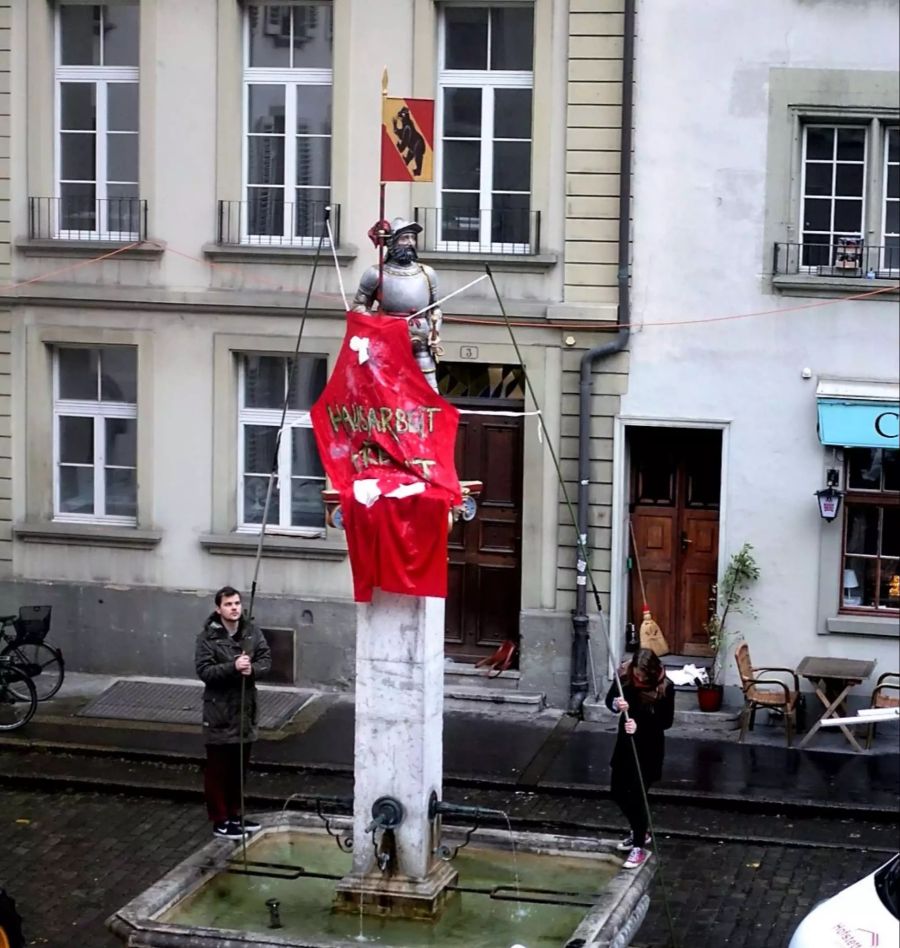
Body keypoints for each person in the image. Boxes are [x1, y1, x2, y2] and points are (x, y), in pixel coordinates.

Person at [195, 585, 271, 838]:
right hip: (219, 712)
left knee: (239, 766)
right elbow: (205, 671)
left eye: (237, 603)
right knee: (219, 768)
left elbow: (265, 659)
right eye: (228, 604)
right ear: (219, 609)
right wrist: (233, 666)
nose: (234, 608)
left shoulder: (251, 632)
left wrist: (254, 670)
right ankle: (220, 819)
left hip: (245, 710)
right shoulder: (208, 638)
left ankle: (236, 814)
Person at [351, 217, 442, 391]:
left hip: (421, 342)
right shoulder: (376, 273)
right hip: (388, 341)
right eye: (404, 238)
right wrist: (379, 325)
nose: (410, 243)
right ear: (392, 242)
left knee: (430, 392)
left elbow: (435, 307)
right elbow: (359, 306)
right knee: (386, 391)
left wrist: (435, 331)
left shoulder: (427, 273)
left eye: (412, 238)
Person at [605, 647, 674, 869]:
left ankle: (638, 846)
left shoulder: (665, 687)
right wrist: (617, 705)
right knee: (617, 791)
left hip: (649, 748)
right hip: (625, 745)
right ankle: (639, 831)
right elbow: (609, 700)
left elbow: (665, 721)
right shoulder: (625, 678)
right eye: (637, 673)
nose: (640, 678)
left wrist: (640, 724)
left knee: (638, 796)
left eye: (644, 675)